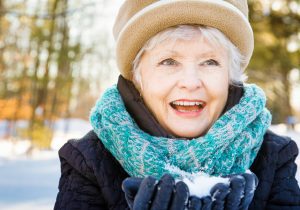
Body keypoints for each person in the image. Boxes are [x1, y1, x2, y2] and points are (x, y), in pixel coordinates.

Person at [54, 0, 300, 209]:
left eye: (210, 62)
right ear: (138, 78)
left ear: (230, 77)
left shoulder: (273, 156)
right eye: (169, 61)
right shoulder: (89, 160)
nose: (191, 82)